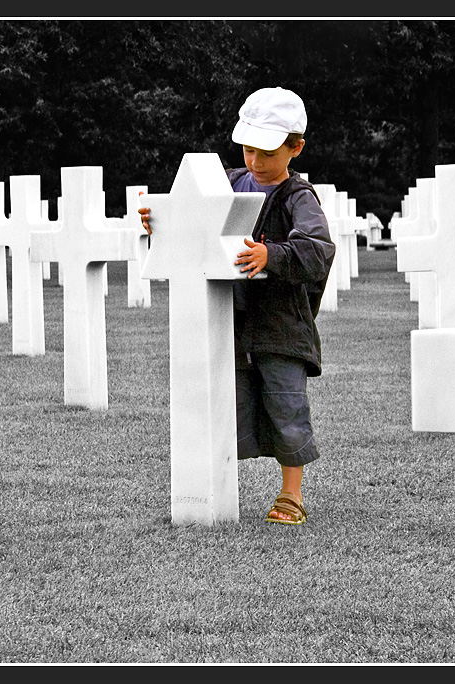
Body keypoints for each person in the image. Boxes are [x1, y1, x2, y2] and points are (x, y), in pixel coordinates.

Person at [140, 86, 334, 525]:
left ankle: (291, 494)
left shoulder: (298, 198)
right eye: (248, 148)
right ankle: (218, 485)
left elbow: (318, 248)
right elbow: (194, 226)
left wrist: (273, 255)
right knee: (233, 405)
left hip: (281, 326)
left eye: (266, 151)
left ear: (296, 147)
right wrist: (159, 221)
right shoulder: (224, 184)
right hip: (231, 321)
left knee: (286, 406)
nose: (255, 161)